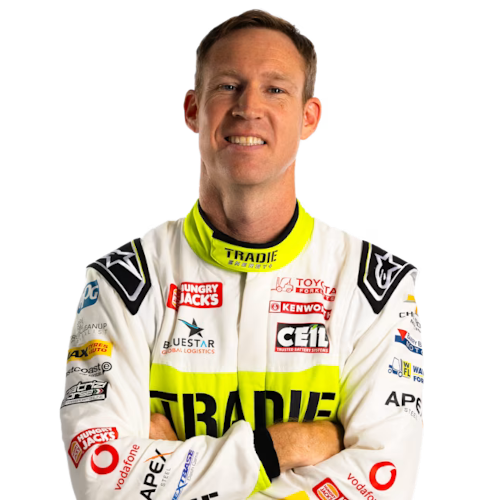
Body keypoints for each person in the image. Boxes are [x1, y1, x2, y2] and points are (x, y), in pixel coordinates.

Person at [60, 8, 423, 499]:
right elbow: (103, 481)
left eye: (275, 89)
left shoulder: (376, 287)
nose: (248, 107)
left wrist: (170, 462)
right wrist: (284, 447)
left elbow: (384, 484)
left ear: (310, 117)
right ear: (193, 109)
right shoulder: (121, 282)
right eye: (228, 86)